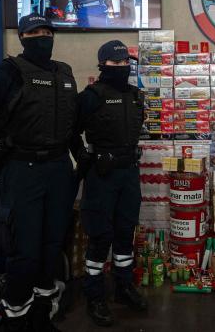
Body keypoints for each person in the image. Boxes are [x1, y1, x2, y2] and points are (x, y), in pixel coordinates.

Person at [0, 13, 78, 332]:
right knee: (25, 251)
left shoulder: (65, 72)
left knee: (52, 246)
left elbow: (71, 122)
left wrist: (80, 160)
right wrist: (1, 154)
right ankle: (16, 318)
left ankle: (42, 314)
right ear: (22, 37)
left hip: (59, 170)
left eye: (47, 30)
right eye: (35, 32)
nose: (43, 36)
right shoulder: (6, 72)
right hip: (22, 170)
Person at [76, 40, 146, 327]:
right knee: (100, 236)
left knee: (125, 232)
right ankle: (94, 295)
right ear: (102, 64)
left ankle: (123, 287)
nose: (120, 68)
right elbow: (71, 132)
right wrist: (84, 158)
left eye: (124, 63)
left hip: (129, 173)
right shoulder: (91, 96)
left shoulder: (136, 95)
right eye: (114, 63)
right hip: (101, 176)